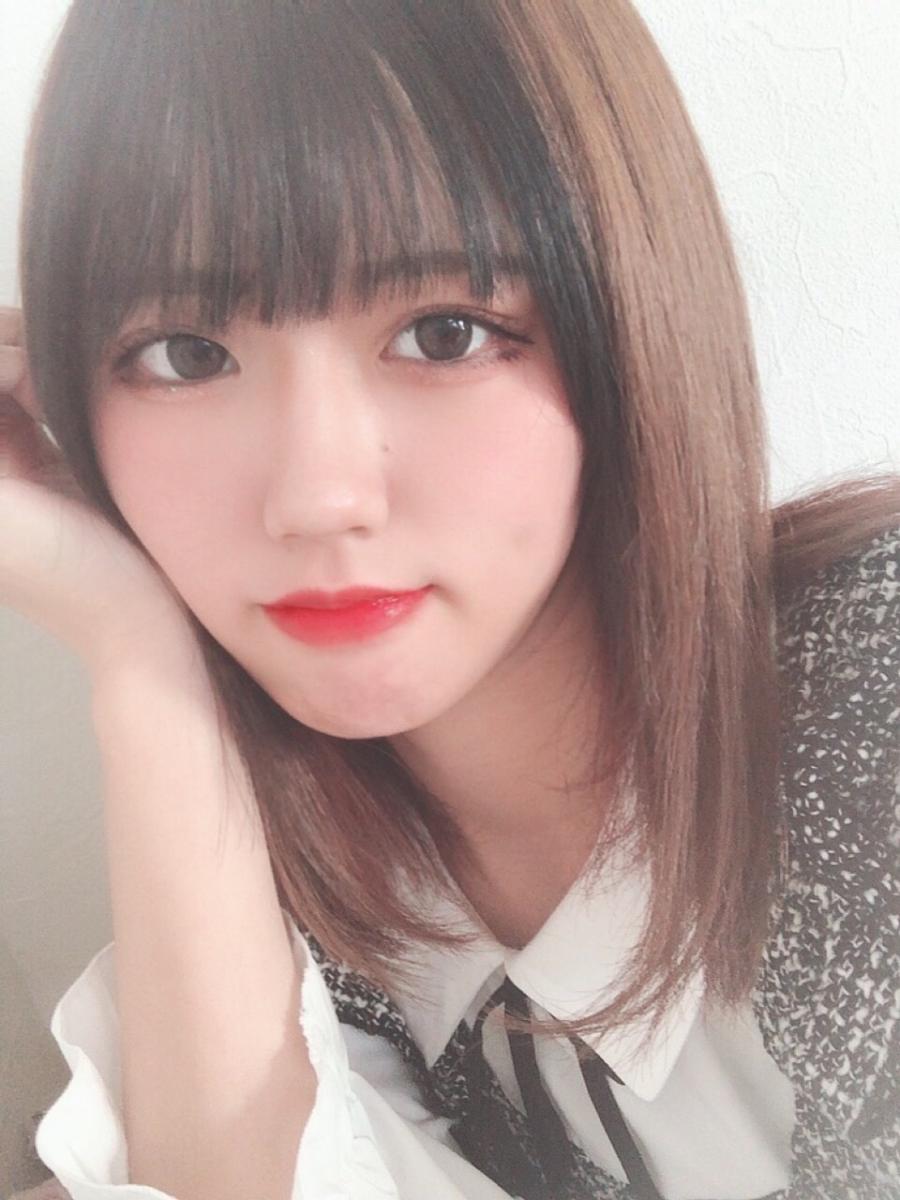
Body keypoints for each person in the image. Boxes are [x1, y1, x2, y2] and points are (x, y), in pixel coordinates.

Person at [1, 2, 898, 1198]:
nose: (318, 497)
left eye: (444, 333)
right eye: (185, 355)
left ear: (629, 326)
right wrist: (135, 649)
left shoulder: (871, 691)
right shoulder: (283, 889)